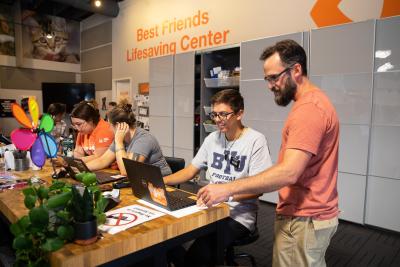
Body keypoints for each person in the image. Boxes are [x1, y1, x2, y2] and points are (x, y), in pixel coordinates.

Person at [197, 40, 340, 267]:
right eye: (267, 79)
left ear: (296, 70)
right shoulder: (311, 104)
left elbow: (288, 173)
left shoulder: (309, 110)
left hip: (304, 218)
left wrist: (227, 189)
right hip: (305, 217)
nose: (270, 85)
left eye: (274, 77)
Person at [164, 89, 272, 266]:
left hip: (238, 216)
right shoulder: (212, 138)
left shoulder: (255, 140)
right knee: (167, 237)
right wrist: (162, 180)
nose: (217, 119)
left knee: (199, 254)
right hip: (209, 208)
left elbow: (257, 190)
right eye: (214, 114)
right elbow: (191, 170)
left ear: (239, 114)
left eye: (223, 114)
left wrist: (226, 195)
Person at [85, 100, 171, 176]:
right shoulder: (120, 138)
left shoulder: (143, 139)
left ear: (118, 126)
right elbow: (103, 160)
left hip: (163, 183)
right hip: (142, 180)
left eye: (110, 125)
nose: (109, 129)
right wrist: (80, 169)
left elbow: (127, 171)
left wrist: (119, 142)